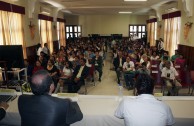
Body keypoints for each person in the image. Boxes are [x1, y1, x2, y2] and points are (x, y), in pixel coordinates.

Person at [18, 70, 83, 126]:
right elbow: (79, 116)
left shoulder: (21, 99)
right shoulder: (64, 104)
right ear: (52, 86)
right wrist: (70, 102)